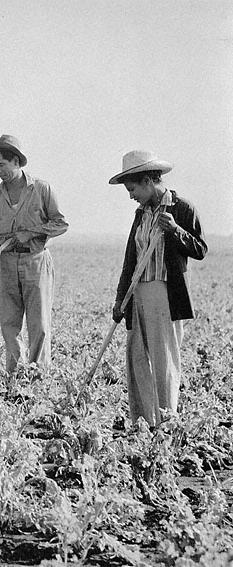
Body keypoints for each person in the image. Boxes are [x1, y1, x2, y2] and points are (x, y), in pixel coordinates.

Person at [109, 150, 206, 427]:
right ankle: (143, 422)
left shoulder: (182, 208)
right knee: (137, 356)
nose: (131, 196)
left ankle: (166, 421)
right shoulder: (141, 214)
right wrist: (121, 300)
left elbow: (200, 249)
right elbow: (131, 259)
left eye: (133, 189)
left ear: (149, 181)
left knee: (164, 360)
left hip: (164, 294)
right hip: (138, 293)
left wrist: (175, 230)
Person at [0, 135, 68, 374]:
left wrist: (31, 233)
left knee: (39, 325)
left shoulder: (41, 189)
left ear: (16, 162)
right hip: (8, 263)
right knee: (9, 325)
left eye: (2, 165)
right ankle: (13, 378)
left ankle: (37, 376)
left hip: (36, 262)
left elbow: (60, 224)